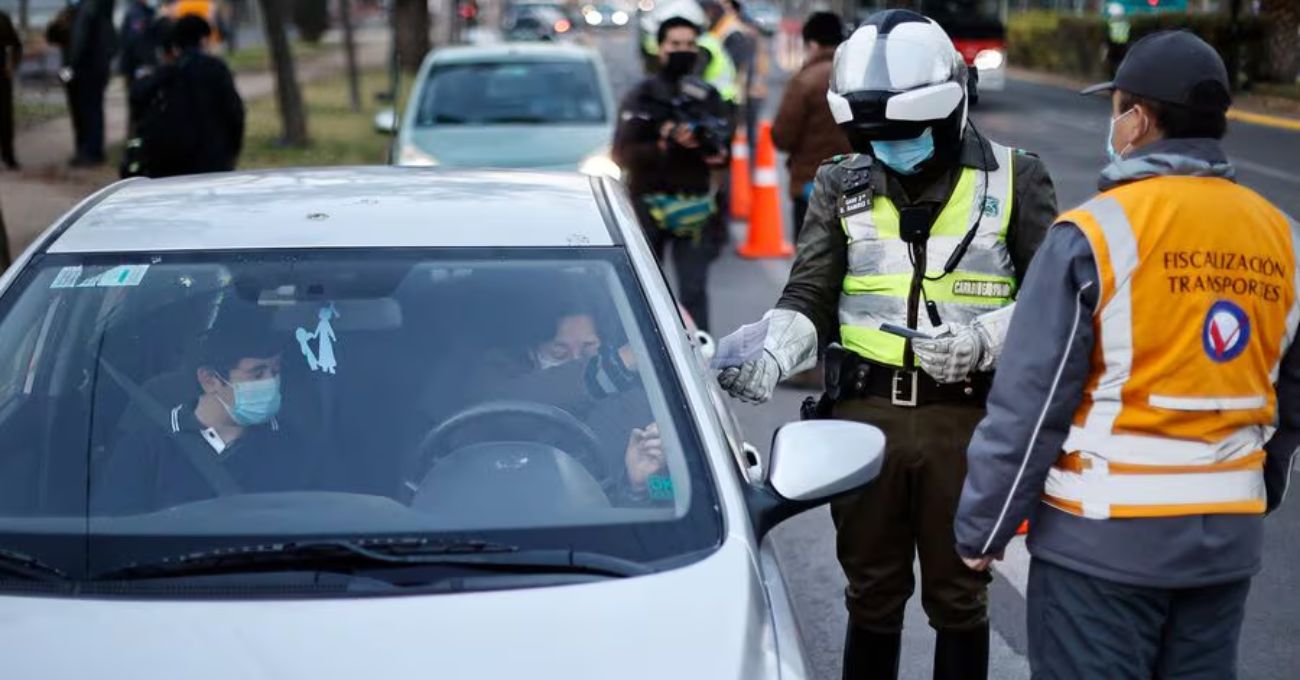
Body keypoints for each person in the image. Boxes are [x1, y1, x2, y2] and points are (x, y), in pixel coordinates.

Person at [714, 10, 1058, 679]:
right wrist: (774, 351)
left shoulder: (1017, 179)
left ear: (951, 109)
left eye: (903, 133)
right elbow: (810, 292)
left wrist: (984, 340)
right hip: (863, 418)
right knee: (870, 598)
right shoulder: (843, 180)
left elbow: (1055, 302)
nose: (889, 146)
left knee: (960, 597)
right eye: (875, 135)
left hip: (966, 419)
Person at [954, 31, 1300, 679]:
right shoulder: (1281, 237)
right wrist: (1252, 492)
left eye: (1116, 108)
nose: (1113, 123)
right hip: (1225, 545)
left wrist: (984, 527)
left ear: (1137, 120)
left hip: (1102, 547)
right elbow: (1292, 397)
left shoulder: (1095, 235)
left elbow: (1031, 403)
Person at [421, 289, 666, 504]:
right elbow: (505, 408)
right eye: (559, 353)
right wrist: (616, 365)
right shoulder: (496, 388)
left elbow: (673, 493)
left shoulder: (637, 406)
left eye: (590, 350)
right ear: (531, 352)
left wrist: (640, 488)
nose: (576, 360)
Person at [93, 316, 317, 515]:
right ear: (210, 380)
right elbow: (117, 527)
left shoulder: (289, 444)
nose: (270, 383)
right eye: (257, 374)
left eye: (275, 372)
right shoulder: (146, 446)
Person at [613, 15, 730, 332]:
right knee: (647, 292)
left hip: (695, 208)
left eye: (690, 44)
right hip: (647, 205)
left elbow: (723, 155)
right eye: (675, 44)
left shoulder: (707, 97)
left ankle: (701, 362)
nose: (683, 50)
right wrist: (663, 143)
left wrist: (711, 150)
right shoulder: (642, 97)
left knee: (694, 292)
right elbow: (622, 154)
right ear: (660, 48)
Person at [130, 15, 244, 177]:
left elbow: (138, 98)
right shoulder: (216, 69)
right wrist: (232, 150)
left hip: (173, 165)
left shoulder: (166, 74)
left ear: (176, 46)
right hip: (215, 161)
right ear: (203, 40)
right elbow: (234, 112)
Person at [771, 11, 850, 238]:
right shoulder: (858, 76)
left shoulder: (805, 81)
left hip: (811, 185)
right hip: (856, 185)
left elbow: (782, 136)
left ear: (812, 44)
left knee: (812, 263)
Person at [67, 0, 118, 167]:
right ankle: (96, 151)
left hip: (86, 68)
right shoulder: (103, 8)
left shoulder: (87, 9)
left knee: (87, 111)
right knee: (95, 110)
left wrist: (72, 64)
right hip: (100, 67)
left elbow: (80, 39)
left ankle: (89, 153)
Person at [119, 0, 159, 129]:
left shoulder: (146, 12)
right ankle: (136, 145)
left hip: (140, 69)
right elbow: (135, 43)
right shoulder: (137, 13)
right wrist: (148, 65)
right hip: (139, 70)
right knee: (139, 114)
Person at [0, 9, 21, 170]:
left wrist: (11, 65)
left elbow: (15, 44)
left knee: (5, 117)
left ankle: (8, 155)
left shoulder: (2, 18)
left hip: (2, 77)